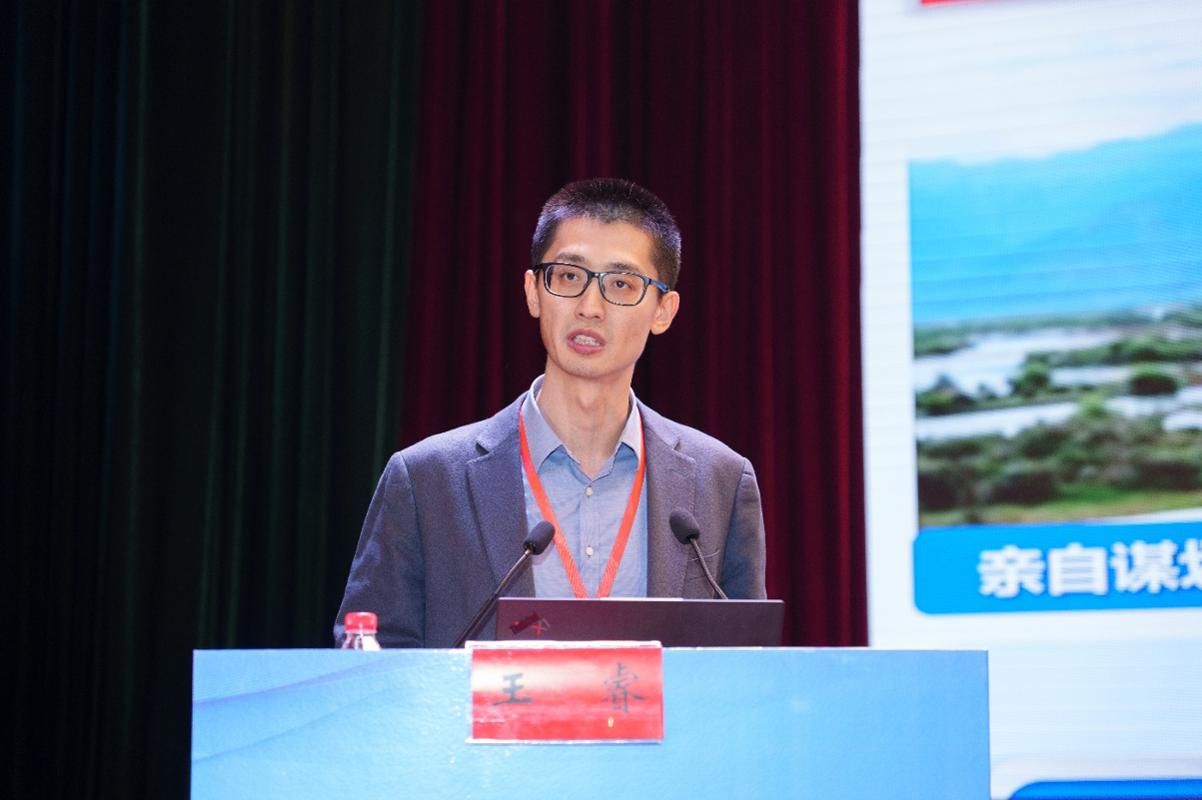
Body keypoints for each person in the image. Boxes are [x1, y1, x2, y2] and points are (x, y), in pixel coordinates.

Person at [335, 178, 766, 647]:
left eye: (621, 284)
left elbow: (748, 665)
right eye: (568, 277)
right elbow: (370, 660)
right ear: (533, 291)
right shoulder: (427, 481)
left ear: (664, 311)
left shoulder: (719, 482)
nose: (590, 307)